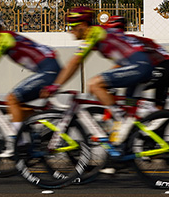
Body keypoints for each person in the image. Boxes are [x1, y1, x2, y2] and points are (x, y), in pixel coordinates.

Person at [42, 7, 154, 137]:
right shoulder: (100, 32)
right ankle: (129, 133)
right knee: (126, 104)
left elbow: (75, 62)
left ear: (83, 25)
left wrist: (56, 85)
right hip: (140, 65)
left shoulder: (94, 32)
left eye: (72, 26)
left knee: (94, 83)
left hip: (139, 65)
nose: (70, 31)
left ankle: (121, 120)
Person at [0, 11, 62, 157]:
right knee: (16, 106)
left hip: (48, 71)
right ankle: (42, 122)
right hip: (49, 68)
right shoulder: (7, 36)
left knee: (11, 99)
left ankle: (18, 143)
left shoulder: (3, 38)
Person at [105, 16, 169, 109]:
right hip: (165, 65)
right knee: (157, 104)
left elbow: (121, 64)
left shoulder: (125, 41)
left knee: (132, 88)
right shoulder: (130, 38)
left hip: (161, 66)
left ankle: (132, 113)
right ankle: (157, 117)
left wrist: (105, 79)